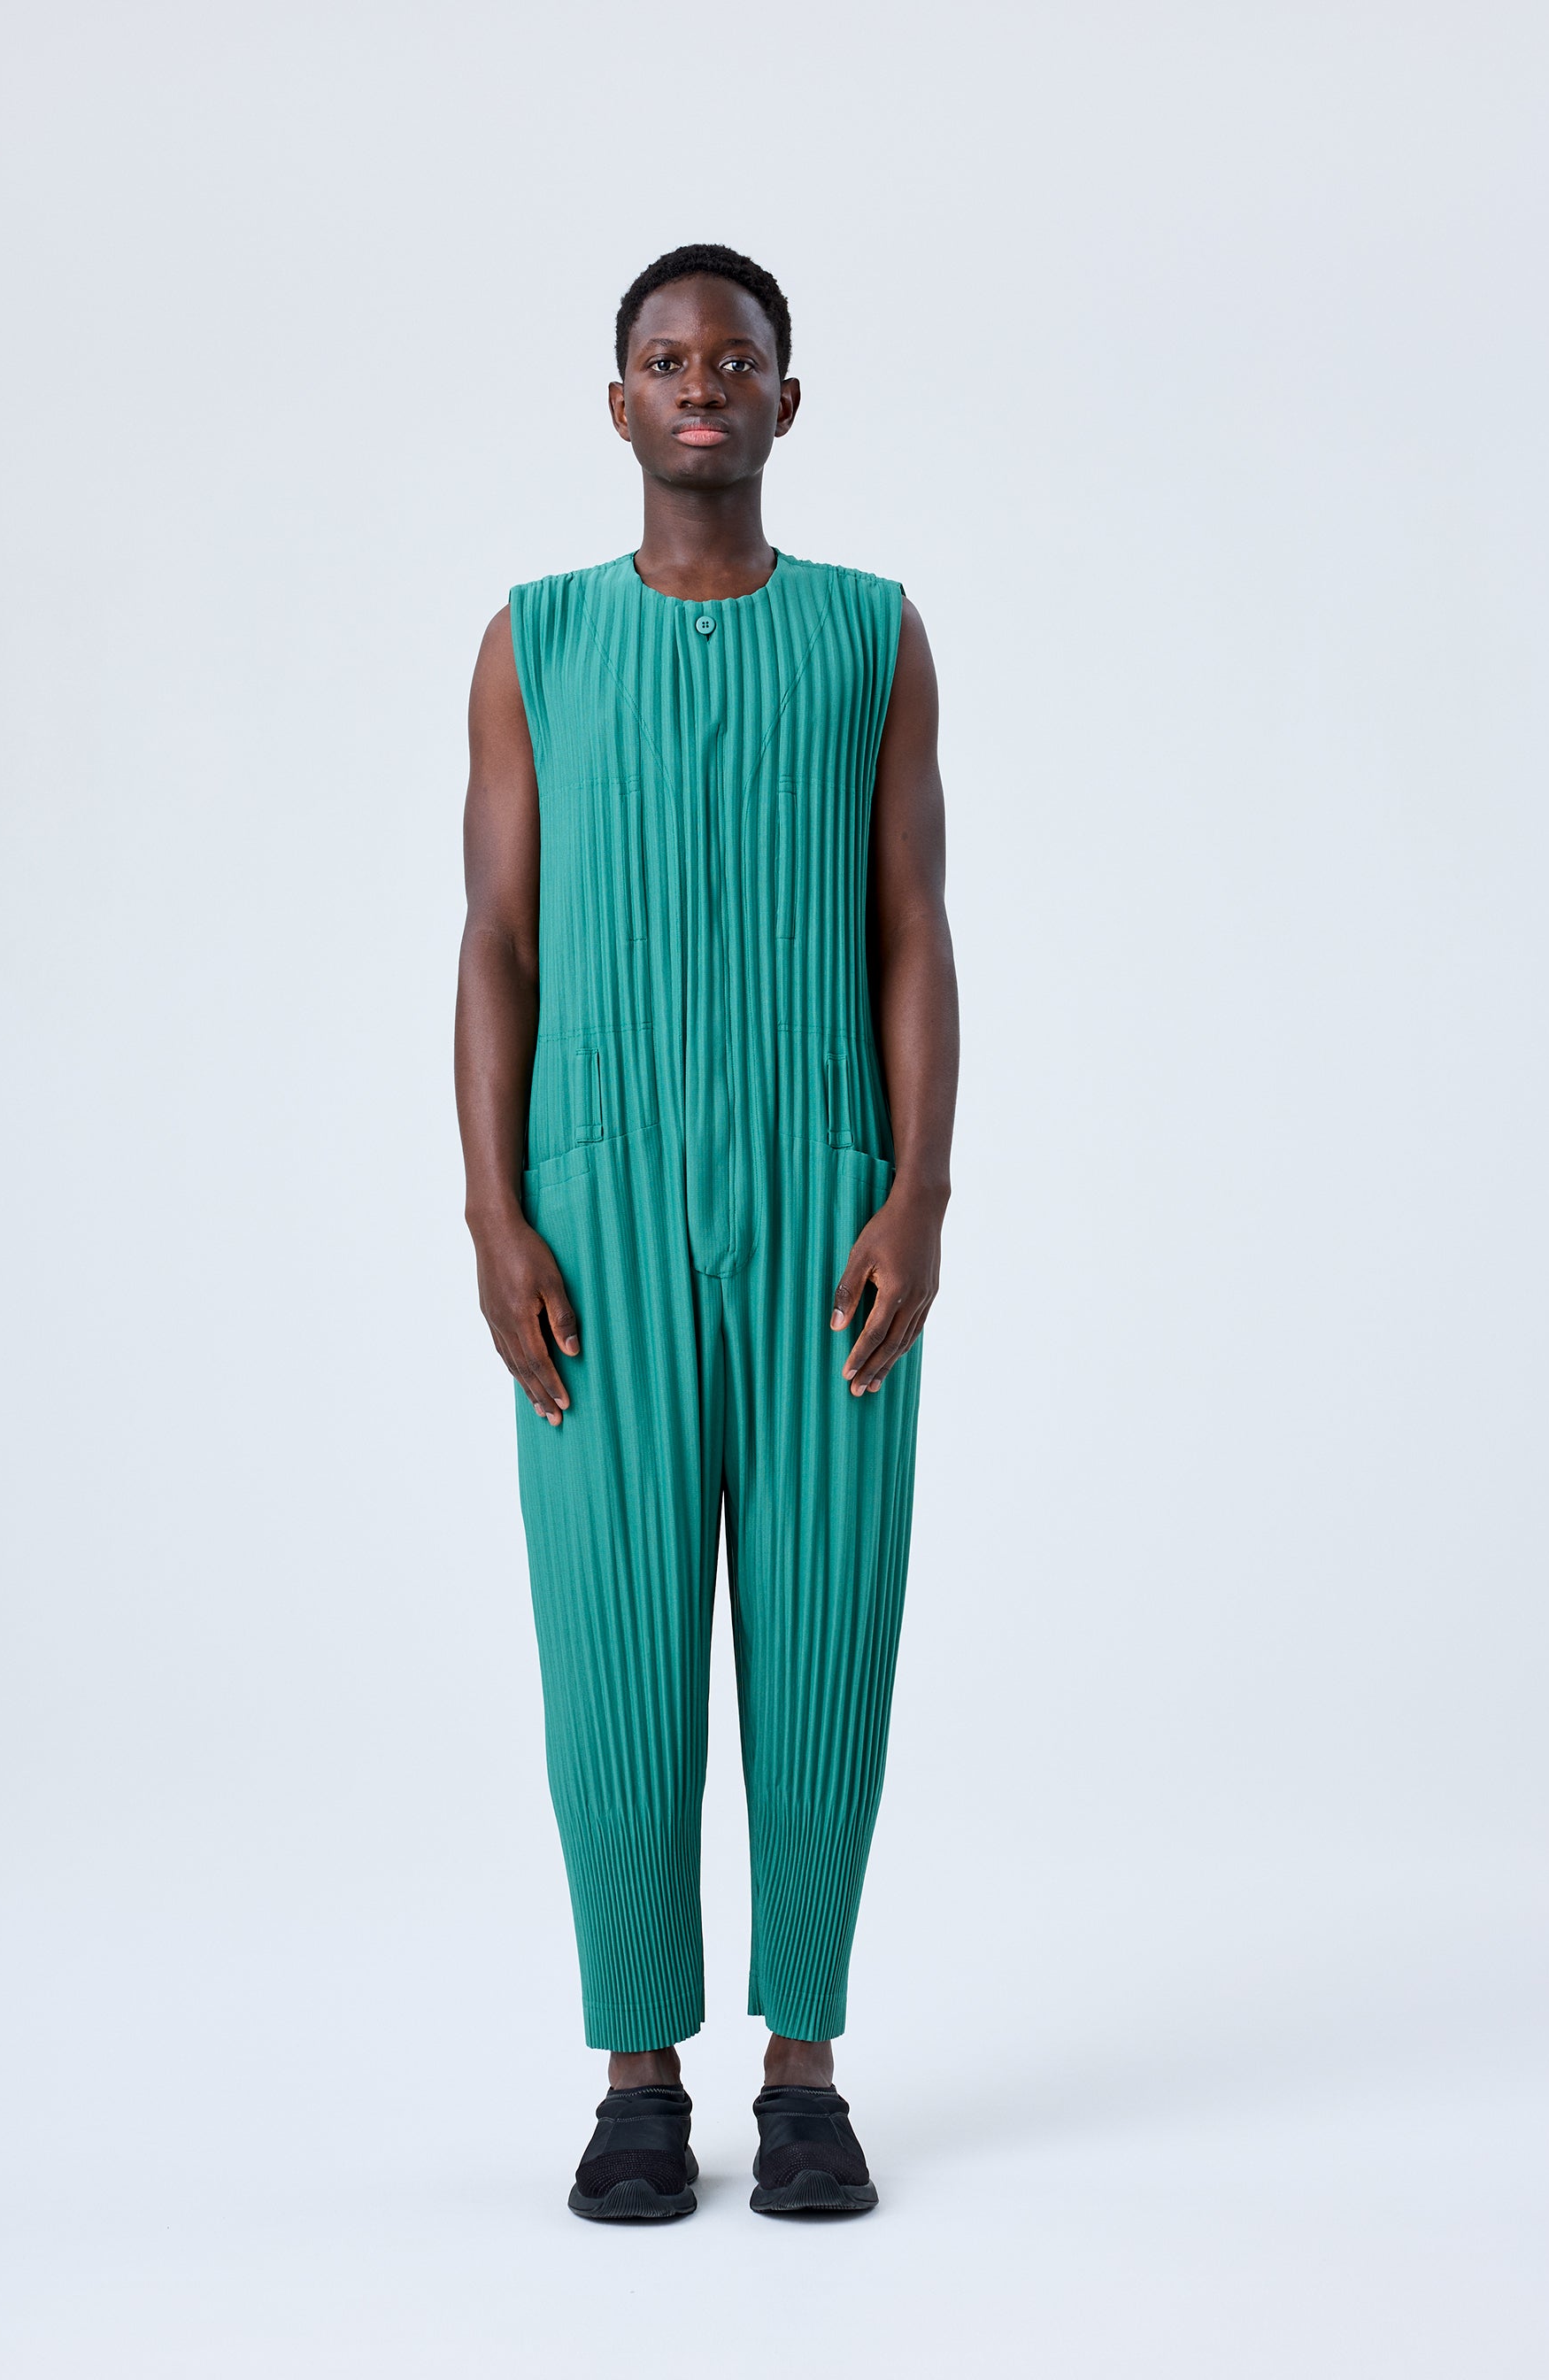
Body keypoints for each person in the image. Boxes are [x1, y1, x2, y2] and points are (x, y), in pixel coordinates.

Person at [454, 243, 959, 2220]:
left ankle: (806, 2068)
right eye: (664, 359)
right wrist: (494, 1212)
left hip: (831, 1199)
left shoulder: (872, 635)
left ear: (784, 402)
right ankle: (637, 2077)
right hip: (593, 1211)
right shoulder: (535, 642)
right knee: (616, 1647)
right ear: (617, 405)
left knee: (829, 1631)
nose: (699, 385)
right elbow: (497, 941)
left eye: (733, 360)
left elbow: (911, 926)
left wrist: (919, 1189)